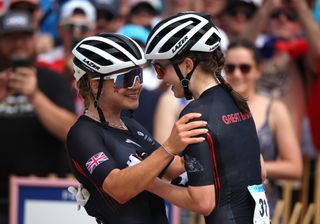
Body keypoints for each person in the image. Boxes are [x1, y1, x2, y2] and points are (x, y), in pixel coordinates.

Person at [66, 32, 208, 223]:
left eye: (138, 75)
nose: (137, 85)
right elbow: (118, 189)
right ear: (94, 85)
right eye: (126, 78)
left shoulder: (130, 124)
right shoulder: (82, 133)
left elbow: (172, 168)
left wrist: (216, 141)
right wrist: (169, 147)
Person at [144, 12, 269, 223]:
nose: (161, 77)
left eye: (160, 68)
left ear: (187, 65)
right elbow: (261, 171)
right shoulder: (236, 99)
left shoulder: (195, 113)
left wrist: (149, 183)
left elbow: (203, 202)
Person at [0, 10, 76, 223]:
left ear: (34, 39)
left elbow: (71, 132)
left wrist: (35, 96)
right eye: (10, 38)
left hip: (41, 196)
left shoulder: (53, 80)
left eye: (24, 37)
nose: (18, 44)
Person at [224, 37, 303, 217]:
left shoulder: (274, 109)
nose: (237, 74)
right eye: (230, 68)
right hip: (222, 209)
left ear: (258, 70)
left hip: (264, 209)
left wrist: (253, 167)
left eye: (245, 68)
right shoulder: (213, 108)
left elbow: (295, 167)